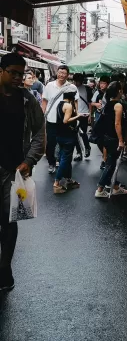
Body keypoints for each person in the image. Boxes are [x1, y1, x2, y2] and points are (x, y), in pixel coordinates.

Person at [0, 53, 45, 291]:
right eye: (13, 73)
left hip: (14, 171)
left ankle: (5, 268)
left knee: (10, 219)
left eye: (22, 73)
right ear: (2, 70)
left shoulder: (28, 99)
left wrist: (30, 160)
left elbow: (39, 132)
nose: (19, 78)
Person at [42, 66, 79, 174]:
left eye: (64, 73)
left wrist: (76, 116)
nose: (61, 75)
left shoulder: (72, 87)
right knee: (51, 143)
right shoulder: (49, 85)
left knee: (64, 142)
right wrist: (42, 113)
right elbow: (44, 100)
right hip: (51, 119)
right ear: (57, 73)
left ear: (68, 75)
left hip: (65, 121)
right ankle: (51, 162)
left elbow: (75, 102)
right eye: (60, 72)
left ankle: (60, 161)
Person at [95, 81, 127, 198]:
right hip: (113, 138)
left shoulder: (108, 104)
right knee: (110, 164)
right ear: (119, 91)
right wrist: (120, 140)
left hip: (106, 137)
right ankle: (100, 189)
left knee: (112, 163)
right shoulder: (118, 105)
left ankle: (114, 187)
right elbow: (117, 124)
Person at [53, 87, 82, 194]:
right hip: (68, 136)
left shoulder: (60, 104)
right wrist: (78, 116)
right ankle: (56, 182)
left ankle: (68, 180)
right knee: (65, 159)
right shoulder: (69, 106)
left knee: (66, 158)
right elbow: (66, 120)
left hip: (60, 135)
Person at [91, 76, 110, 170]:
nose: (102, 85)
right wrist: (96, 104)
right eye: (101, 83)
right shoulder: (97, 92)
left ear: (108, 84)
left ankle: (104, 159)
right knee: (99, 138)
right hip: (99, 117)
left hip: (107, 118)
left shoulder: (110, 93)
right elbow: (91, 103)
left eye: (104, 83)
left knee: (105, 138)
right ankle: (105, 156)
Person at [72, 73, 91, 161]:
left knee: (83, 132)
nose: (76, 83)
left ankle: (87, 148)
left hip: (84, 114)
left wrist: (90, 114)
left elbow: (90, 102)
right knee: (75, 134)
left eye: (78, 81)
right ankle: (79, 152)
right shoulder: (71, 88)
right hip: (75, 114)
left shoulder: (87, 88)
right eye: (75, 81)